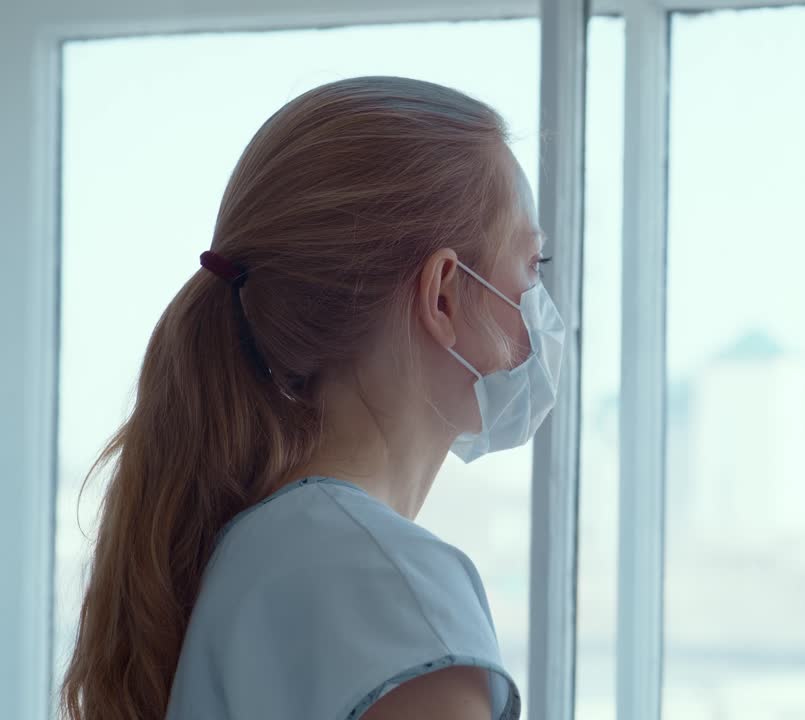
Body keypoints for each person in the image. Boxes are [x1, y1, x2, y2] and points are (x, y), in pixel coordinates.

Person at [59, 76, 563, 720]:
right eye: (534, 265)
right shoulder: (386, 588)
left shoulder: (261, 548)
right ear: (441, 294)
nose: (541, 308)